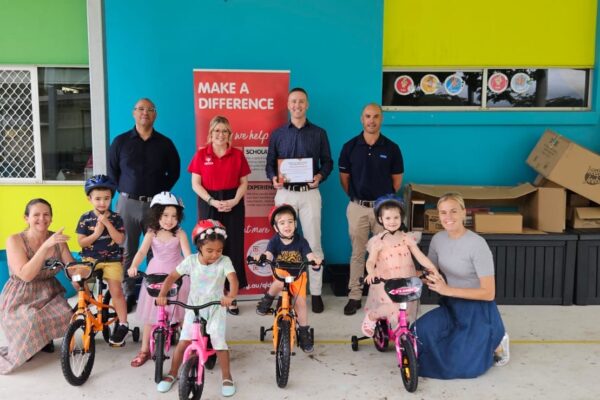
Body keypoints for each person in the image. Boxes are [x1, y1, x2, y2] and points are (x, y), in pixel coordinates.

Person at [416, 192, 509, 379]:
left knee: (459, 365)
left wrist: (447, 290)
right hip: (452, 305)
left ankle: (498, 338)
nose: (448, 217)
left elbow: (489, 293)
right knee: (418, 333)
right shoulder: (438, 239)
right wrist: (402, 271)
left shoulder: (478, 244)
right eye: (443, 212)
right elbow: (430, 272)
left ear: (463, 212)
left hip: (478, 309)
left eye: (453, 211)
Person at [108, 97, 181, 311]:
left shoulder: (165, 143)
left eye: (149, 109)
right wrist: (124, 191)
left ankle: (155, 292)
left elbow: (174, 172)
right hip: (127, 203)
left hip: (155, 206)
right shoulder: (120, 142)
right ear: (134, 112)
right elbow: (113, 171)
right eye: (140, 109)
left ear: (155, 114)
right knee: (127, 250)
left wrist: (159, 195)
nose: (145, 113)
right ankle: (129, 292)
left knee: (155, 250)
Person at [266, 87, 333, 314]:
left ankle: (316, 293)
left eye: (301, 101)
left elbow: (328, 162)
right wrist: (273, 178)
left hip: (309, 193)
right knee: (283, 242)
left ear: (307, 105)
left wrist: (320, 176)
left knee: (313, 241)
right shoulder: (278, 134)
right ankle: (284, 291)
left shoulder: (319, 133)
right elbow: (270, 163)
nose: (297, 105)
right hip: (285, 193)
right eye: (293, 101)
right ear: (288, 105)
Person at [155, 219, 238, 397]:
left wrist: (230, 296)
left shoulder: (224, 261)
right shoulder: (191, 261)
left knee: (218, 340)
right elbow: (171, 277)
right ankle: (172, 373)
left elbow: (233, 279)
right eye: (210, 250)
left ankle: (227, 376)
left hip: (216, 306)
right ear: (199, 247)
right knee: (184, 341)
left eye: (219, 250)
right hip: (193, 306)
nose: (215, 255)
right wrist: (162, 294)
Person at [338, 103, 404, 315]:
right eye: (368, 116)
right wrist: (358, 198)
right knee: (358, 253)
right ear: (362, 119)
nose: (371, 120)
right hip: (357, 207)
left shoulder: (392, 148)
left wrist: (382, 203)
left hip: (383, 210)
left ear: (381, 119)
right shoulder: (350, 147)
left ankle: (381, 296)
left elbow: (396, 182)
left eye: (376, 116)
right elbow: (344, 179)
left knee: (383, 254)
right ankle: (355, 296)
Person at [0, 199, 73, 373]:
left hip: (49, 291)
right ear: (26, 218)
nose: (42, 218)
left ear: (51, 218)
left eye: (46, 214)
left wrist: (82, 280)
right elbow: (26, 275)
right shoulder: (15, 240)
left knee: (68, 314)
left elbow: (71, 268)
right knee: (30, 318)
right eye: (36, 215)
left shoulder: (58, 240)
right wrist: (45, 246)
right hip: (21, 294)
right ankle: (28, 345)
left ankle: (44, 339)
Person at [188, 115, 250, 315]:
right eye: (217, 130)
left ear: (229, 134)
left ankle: (231, 296)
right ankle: (209, 295)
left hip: (233, 203)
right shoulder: (201, 155)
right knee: (208, 246)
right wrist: (212, 201)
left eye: (224, 131)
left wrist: (234, 200)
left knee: (233, 248)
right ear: (210, 133)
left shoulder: (238, 155)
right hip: (209, 202)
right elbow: (195, 184)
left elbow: (244, 183)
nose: (220, 134)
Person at [127, 191, 191, 367]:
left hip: (176, 273)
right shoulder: (151, 233)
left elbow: (187, 255)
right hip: (155, 272)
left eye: (174, 216)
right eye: (165, 215)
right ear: (157, 215)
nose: (169, 220)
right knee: (151, 316)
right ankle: (144, 350)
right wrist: (133, 266)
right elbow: (141, 252)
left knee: (182, 313)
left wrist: (191, 269)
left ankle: (189, 346)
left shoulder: (180, 234)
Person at [361, 195, 436, 337]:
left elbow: (420, 256)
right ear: (381, 219)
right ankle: (372, 316)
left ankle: (400, 331)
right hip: (386, 281)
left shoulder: (406, 238)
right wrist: (371, 272)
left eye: (396, 217)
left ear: (401, 218)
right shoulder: (378, 242)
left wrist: (432, 268)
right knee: (391, 307)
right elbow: (370, 261)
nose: (392, 221)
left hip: (406, 280)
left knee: (406, 308)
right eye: (388, 218)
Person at [255, 204, 322, 353]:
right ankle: (267, 300)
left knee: (301, 304)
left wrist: (315, 261)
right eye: (282, 222)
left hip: (298, 276)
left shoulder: (301, 241)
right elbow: (269, 254)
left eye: (290, 221)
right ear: (276, 227)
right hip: (281, 273)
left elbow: (310, 255)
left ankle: (303, 332)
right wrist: (263, 258)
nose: (287, 225)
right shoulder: (274, 241)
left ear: (295, 224)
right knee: (279, 282)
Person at [76, 175, 129, 345]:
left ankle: (123, 324)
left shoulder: (116, 218)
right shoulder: (85, 218)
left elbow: (120, 239)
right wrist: (96, 233)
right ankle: (86, 303)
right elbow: (81, 242)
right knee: (77, 279)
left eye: (106, 198)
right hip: (90, 259)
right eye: (97, 199)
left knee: (116, 291)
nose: (102, 203)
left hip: (112, 260)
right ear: (89, 199)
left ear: (111, 198)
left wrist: (107, 223)